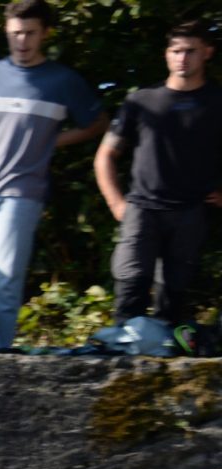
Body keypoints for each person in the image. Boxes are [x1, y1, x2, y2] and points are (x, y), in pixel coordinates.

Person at [0, 0, 105, 351]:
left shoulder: (63, 81)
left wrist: (52, 141)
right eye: (15, 33)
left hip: (21, 196)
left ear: (45, 33)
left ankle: (1, 356)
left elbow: (97, 124)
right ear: (6, 31)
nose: (22, 41)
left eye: (30, 33)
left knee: (7, 282)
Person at [94, 21, 222, 327]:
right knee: (130, 291)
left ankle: (167, 351)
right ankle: (124, 352)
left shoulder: (218, 102)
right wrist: (117, 204)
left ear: (207, 52)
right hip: (142, 209)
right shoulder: (141, 101)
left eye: (190, 51)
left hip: (192, 211)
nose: (182, 58)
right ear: (166, 54)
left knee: (173, 300)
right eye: (175, 51)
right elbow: (105, 156)